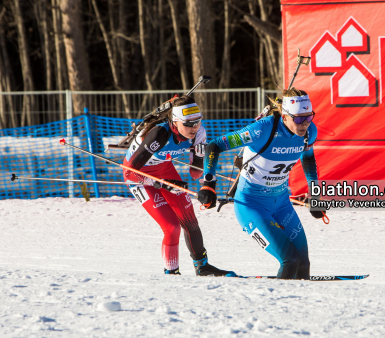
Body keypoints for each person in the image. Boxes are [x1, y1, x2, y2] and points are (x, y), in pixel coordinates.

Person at [198, 88, 325, 279]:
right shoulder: (263, 129)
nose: (304, 124)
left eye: (308, 117)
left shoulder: (309, 132)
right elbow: (215, 145)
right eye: (298, 118)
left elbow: (308, 159)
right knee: (290, 260)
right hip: (251, 205)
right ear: (285, 116)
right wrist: (209, 183)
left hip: (281, 203)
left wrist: (314, 194)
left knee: (303, 262)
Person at [123, 95, 236, 277]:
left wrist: (199, 159)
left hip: (164, 169)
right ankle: (171, 272)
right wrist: (160, 184)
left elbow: (195, 174)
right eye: (189, 124)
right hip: (140, 176)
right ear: (175, 122)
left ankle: (202, 266)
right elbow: (129, 172)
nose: (194, 128)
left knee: (189, 219)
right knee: (172, 226)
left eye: (198, 122)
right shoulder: (159, 134)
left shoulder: (199, 133)